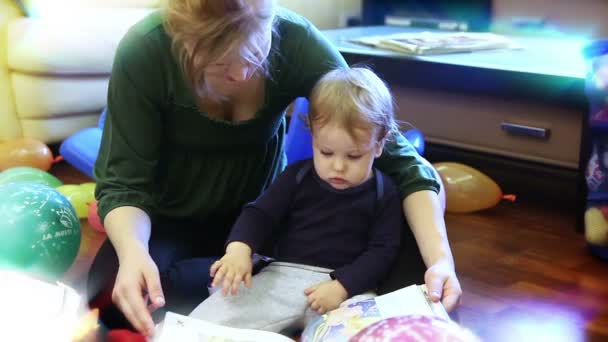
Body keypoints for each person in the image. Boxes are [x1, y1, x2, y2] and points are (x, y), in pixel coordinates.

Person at [87, 0, 462, 338]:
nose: (239, 75)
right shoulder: (145, 50)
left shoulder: (296, 41)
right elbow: (122, 183)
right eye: (218, 62)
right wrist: (135, 253)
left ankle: (275, 291)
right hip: (172, 221)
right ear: (182, 38)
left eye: (254, 54)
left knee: (415, 264)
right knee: (113, 292)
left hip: (272, 225)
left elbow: (399, 158)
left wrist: (440, 261)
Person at [187, 67, 412, 331]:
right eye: (326, 152)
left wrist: (343, 286)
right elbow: (260, 214)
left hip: (347, 288)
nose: (338, 167)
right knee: (209, 322)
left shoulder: (385, 192)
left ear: (379, 144)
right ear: (313, 137)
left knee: (369, 331)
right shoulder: (296, 176)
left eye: (353, 157)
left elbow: (382, 252)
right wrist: (239, 249)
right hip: (282, 275)